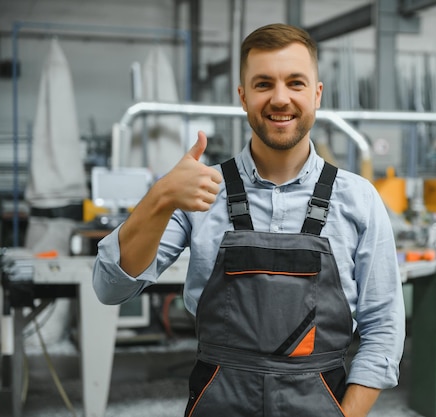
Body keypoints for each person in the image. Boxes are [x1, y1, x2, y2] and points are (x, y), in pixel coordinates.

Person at [93, 23, 405, 417]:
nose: (280, 98)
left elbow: (384, 329)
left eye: (295, 83)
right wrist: (160, 198)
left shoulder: (358, 200)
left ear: (317, 94)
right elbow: (109, 288)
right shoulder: (200, 192)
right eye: (263, 84)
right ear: (242, 96)